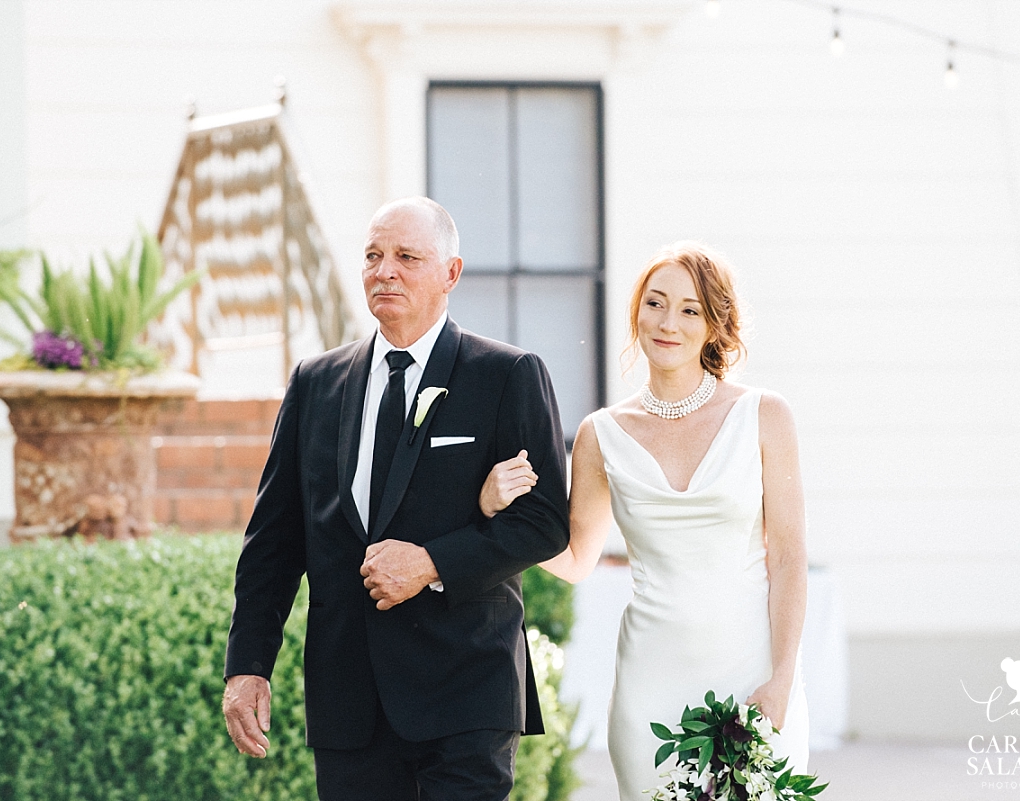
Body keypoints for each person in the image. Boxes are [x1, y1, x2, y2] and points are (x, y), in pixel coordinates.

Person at [222, 196, 571, 801]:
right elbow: (274, 541)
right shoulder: (315, 383)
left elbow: (544, 524)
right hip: (347, 699)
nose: (386, 271)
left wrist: (433, 562)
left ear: (451, 274)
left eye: (407, 257)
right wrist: (248, 665)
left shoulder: (506, 375)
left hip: (466, 690)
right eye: (373, 257)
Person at [480, 242, 810, 799]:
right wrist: (494, 512)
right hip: (651, 686)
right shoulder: (600, 434)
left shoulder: (764, 416)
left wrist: (782, 677)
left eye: (689, 310)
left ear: (714, 325)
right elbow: (578, 559)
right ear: (636, 310)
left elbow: (789, 557)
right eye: (655, 303)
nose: (668, 323)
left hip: (753, 676)